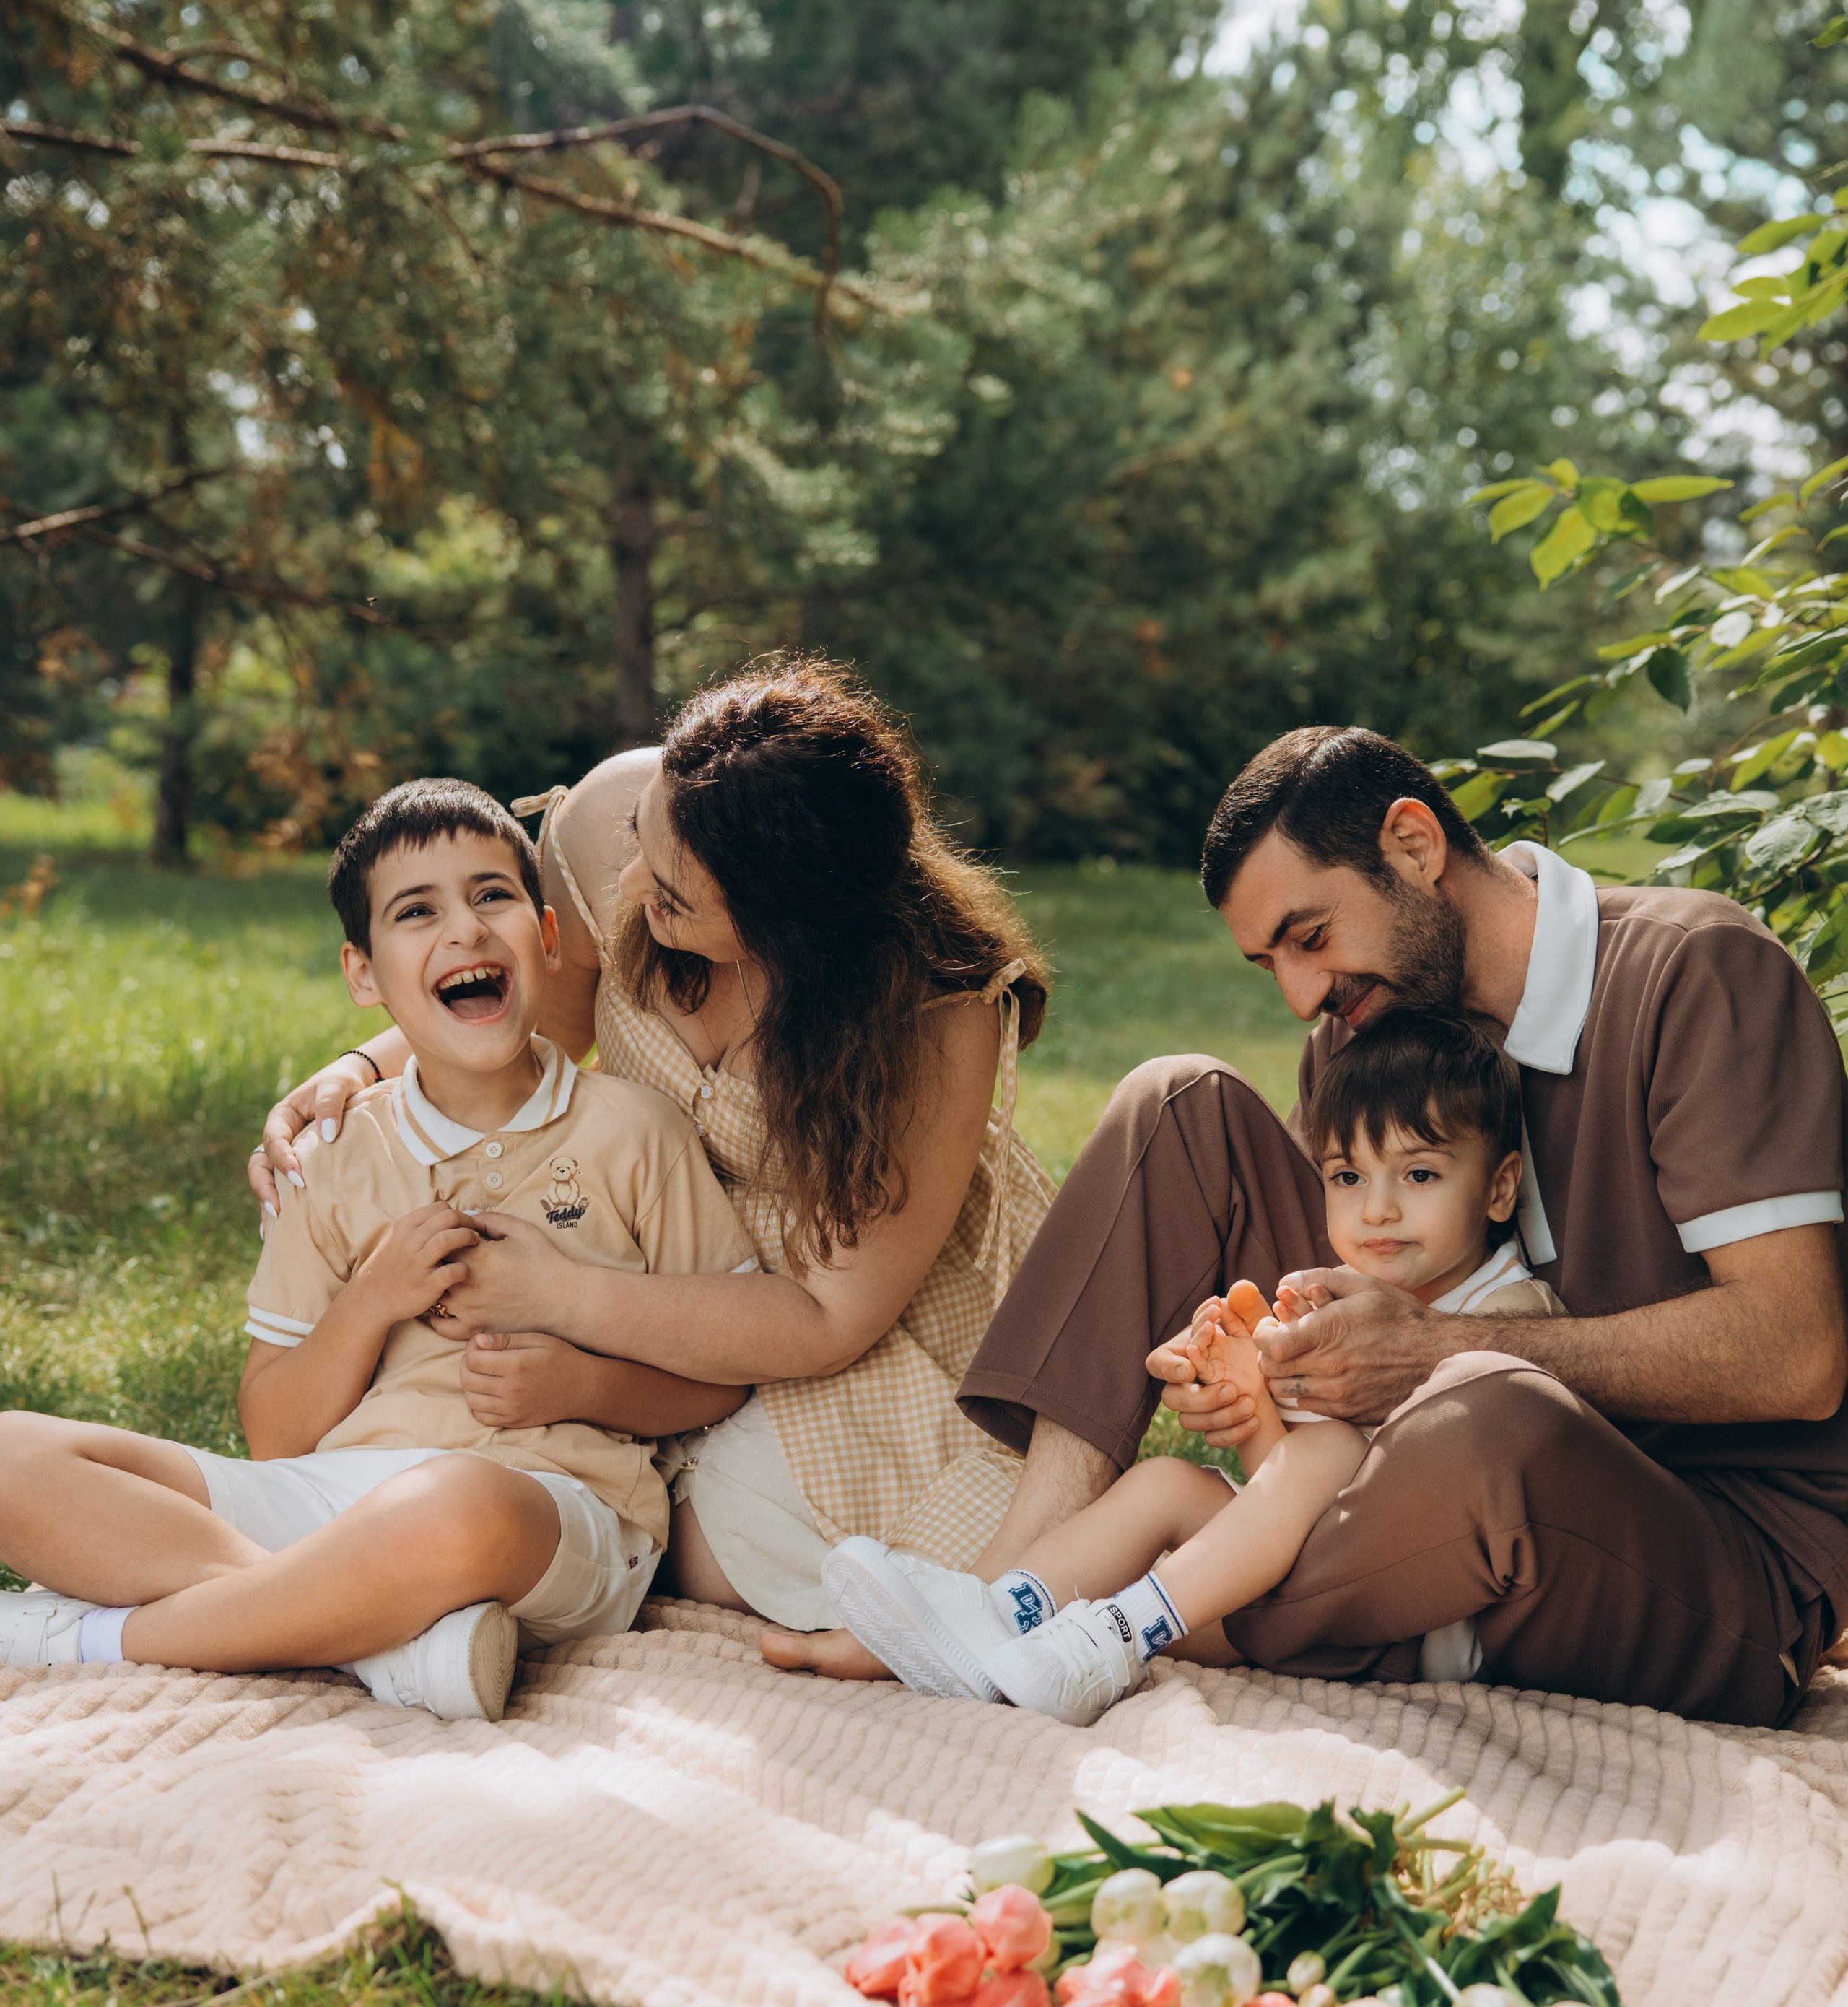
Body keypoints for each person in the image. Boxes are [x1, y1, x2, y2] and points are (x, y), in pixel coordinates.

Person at [933, 723, 1848, 1729]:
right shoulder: (1363, 1040)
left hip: (1715, 1557)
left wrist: (1436, 1350)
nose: (1299, 995)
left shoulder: (1693, 972)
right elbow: (1328, 1326)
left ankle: (1152, 1607)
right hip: (1431, 1476)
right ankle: (1002, 1591)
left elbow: (1798, 1351)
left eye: (1311, 935)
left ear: (1415, 845)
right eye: (1268, 962)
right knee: (1175, 1101)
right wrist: (1249, 1355)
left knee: (1483, 1399)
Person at [251, 661, 1055, 1642]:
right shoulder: (607, 825)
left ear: (780, 928)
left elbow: (823, 1316)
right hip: (624, 1238)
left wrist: (554, 1296)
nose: (628, 887)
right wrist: (357, 1067)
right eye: (642, 844)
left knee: (775, 1550)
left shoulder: (934, 1015)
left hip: (825, 1320)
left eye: (669, 894)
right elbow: (537, 1002)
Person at [0, 779, 756, 1720]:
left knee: (453, 1505)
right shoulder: (338, 1156)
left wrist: (583, 1385)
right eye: (417, 910)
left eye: (492, 894)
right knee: (12, 1455)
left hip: (551, 1510)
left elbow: (724, 1377)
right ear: (364, 974)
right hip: (337, 1492)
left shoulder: (634, 1132)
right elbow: (277, 1435)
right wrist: (370, 1298)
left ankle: (96, 1638)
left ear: (548, 937)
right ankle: (376, 1637)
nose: (466, 929)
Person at [824, 1008, 1565, 1720]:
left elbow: (1388, 1468)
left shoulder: (1510, 1309)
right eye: (1347, 1177)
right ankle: (1000, 1614)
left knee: (1330, 1446)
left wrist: (1303, 1426)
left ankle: (1110, 1635)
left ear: (1499, 1186)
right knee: (1164, 1485)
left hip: (1410, 1624)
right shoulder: (1316, 1304)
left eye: (1420, 1176)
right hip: (1298, 1600)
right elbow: (1283, 1490)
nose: (1376, 1210)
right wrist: (1249, 1402)